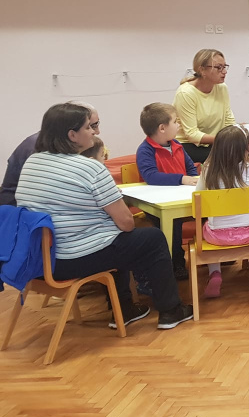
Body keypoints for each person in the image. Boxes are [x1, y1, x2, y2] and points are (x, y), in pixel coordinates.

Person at [16, 103, 193, 330]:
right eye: (88, 127)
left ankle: (125, 309)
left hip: (39, 260)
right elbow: (126, 223)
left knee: (112, 237)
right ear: (72, 135)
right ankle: (171, 310)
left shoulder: (32, 162)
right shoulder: (90, 168)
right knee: (152, 238)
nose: (94, 132)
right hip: (73, 259)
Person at [195, 125, 249, 299]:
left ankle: (215, 273)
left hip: (217, 236)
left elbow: (199, 196)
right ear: (244, 149)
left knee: (204, 229)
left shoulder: (208, 171)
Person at [136, 102, 200, 280]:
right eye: (175, 121)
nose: (179, 125)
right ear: (162, 128)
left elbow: (190, 168)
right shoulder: (145, 150)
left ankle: (215, 254)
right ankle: (175, 262)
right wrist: (181, 179)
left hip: (183, 198)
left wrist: (194, 178)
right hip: (159, 204)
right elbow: (151, 176)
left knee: (210, 210)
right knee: (173, 224)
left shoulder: (177, 144)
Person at [174, 49, 249, 163]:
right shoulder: (186, 93)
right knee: (231, 157)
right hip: (189, 145)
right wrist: (229, 141)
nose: (224, 71)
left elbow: (228, 121)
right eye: (218, 67)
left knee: (241, 153)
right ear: (202, 70)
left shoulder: (221, 87)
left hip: (215, 141)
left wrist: (242, 141)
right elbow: (192, 135)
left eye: (225, 67)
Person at [1, 102, 99, 207]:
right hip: (18, 208)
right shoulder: (39, 148)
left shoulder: (50, 144)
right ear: (71, 131)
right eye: (90, 126)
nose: (96, 132)